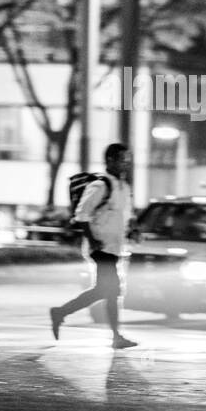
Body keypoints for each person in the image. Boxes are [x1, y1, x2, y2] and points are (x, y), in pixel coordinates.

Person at [50, 143, 138, 350]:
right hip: (100, 248)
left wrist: (133, 230)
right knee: (111, 290)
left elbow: (124, 216)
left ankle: (61, 312)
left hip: (114, 247)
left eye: (127, 158)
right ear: (109, 160)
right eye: (121, 159)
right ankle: (116, 337)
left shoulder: (124, 187)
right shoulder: (100, 185)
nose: (126, 163)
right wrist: (92, 240)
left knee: (105, 290)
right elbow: (81, 214)